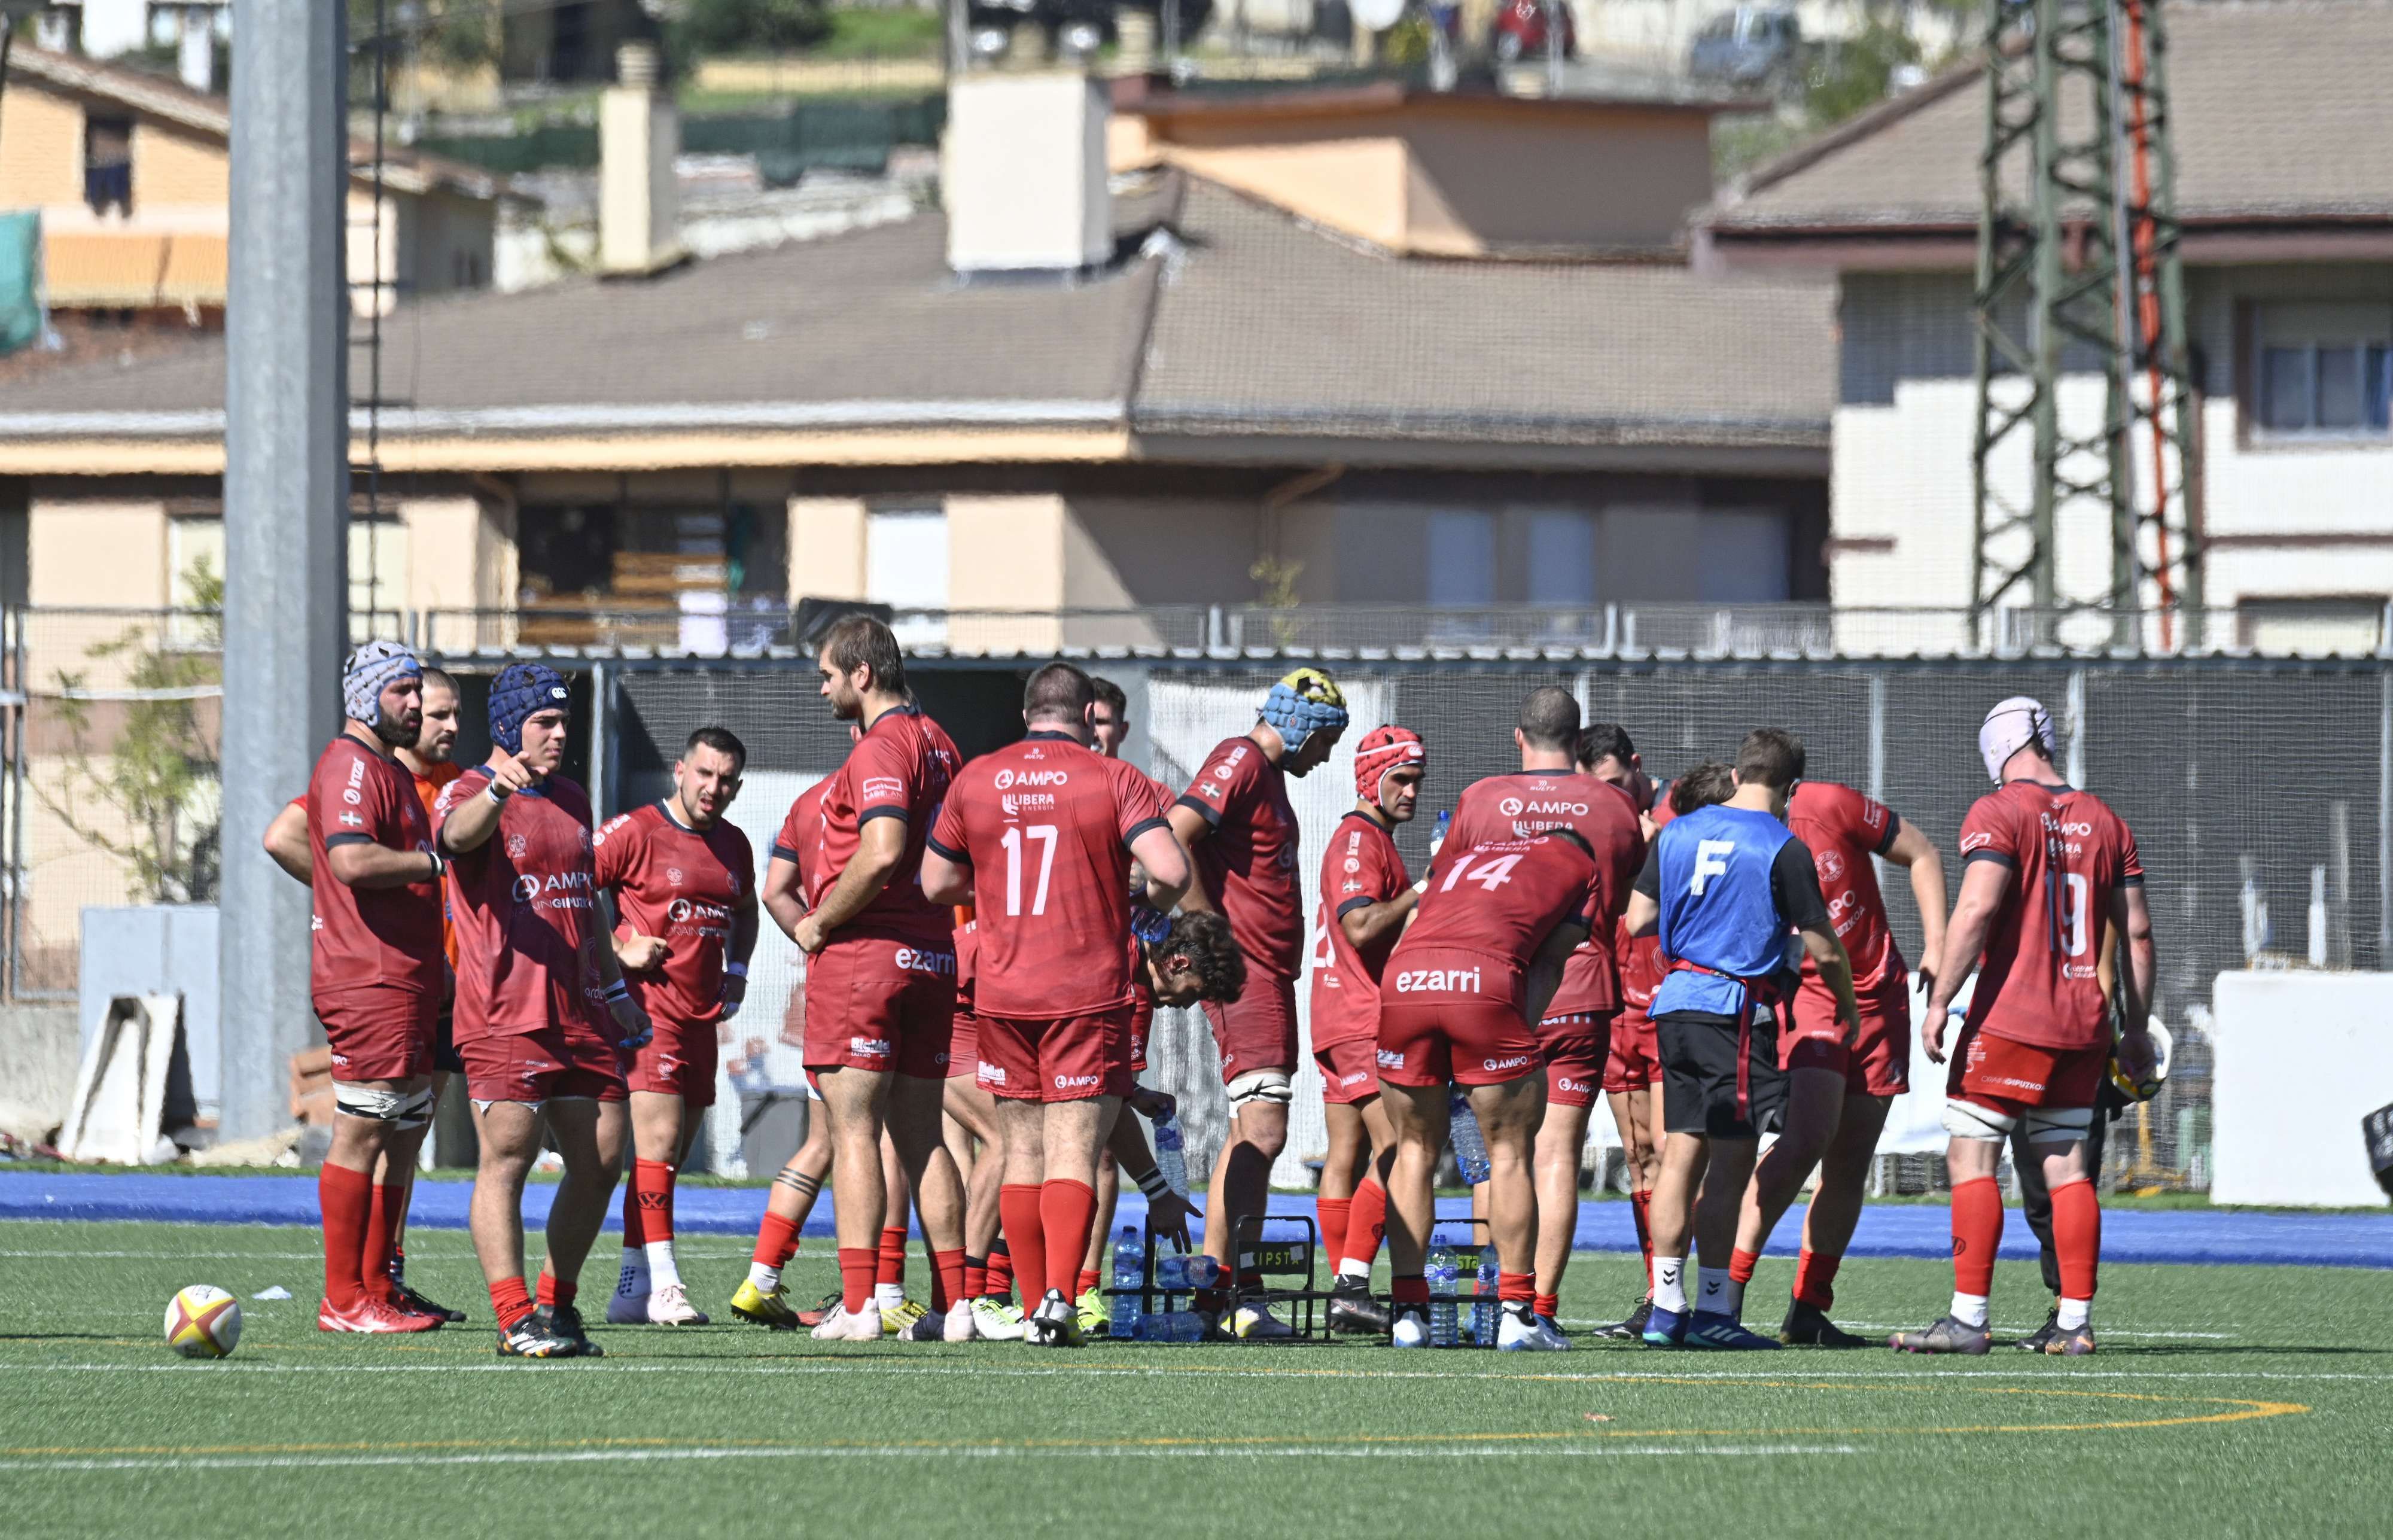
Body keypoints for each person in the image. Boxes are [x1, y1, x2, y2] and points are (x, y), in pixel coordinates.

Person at [920, 662, 1202, 1344]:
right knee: (1074, 1150)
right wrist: (1144, 907)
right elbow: (1171, 871)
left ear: (1026, 715)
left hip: (1003, 990)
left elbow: (935, 883)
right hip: (1085, 990)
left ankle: (1025, 1304)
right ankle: (1058, 1301)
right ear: (1087, 718)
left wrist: (988, 880)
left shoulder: (978, 776)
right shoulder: (1114, 777)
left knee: (1020, 1151)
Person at [1894, 698, 2154, 1358]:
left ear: (1997, 745)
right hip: (2084, 1025)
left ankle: (1967, 1317)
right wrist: (2136, 1029)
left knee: (1971, 1156)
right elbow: (2139, 936)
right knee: (2068, 1171)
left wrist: (1937, 1000)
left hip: (2010, 1019)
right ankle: (2073, 1324)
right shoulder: (2106, 820)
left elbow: (1977, 906)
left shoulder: (1998, 810)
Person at [434, 663, 651, 1358]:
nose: (560, 735)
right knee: (509, 1156)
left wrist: (615, 990)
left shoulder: (571, 799)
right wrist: (500, 786)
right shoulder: (470, 791)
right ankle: (512, 1316)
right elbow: (456, 839)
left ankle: (556, 1307)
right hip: (506, 1012)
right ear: (507, 728)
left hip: (580, 1010)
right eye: (544, 724)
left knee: (602, 1156)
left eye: (563, 723)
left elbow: (588, 898)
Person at [1624, 729, 1858, 1350]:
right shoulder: (1783, 847)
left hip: (1673, 1003)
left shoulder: (1676, 830)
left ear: (1735, 774)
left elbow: (1637, 919)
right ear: (1792, 787)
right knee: (1728, 1164)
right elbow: (1824, 947)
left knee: (1679, 1155)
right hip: (1732, 1010)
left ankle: (1665, 1306)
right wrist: (1847, 1009)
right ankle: (1713, 1315)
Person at [1434, 688, 1645, 1341]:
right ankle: (1535, 1311)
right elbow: (1623, 900)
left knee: (1493, 1151)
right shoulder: (1613, 804)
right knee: (1554, 1154)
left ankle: (1488, 1302)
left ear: (1517, 739)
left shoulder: (1481, 798)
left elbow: (1449, 887)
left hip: (1495, 986)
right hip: (1579, 986)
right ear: (1580, 745)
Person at [264, 661, 465, 1324]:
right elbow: (335, 855)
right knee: (369, 1122)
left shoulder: (401, 774)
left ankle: (377, 1286)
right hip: (372, 976)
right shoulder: (352, 766)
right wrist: (425, 867)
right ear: (363, 697)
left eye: (430, 701)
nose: (429, 714)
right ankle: (346, 1298)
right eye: (410, 696)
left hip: (415, 977)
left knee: (400, 1125)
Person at [791, 617, 971, 1343]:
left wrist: (820, 922)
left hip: (867, 956)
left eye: (830, 674)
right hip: (932, 954)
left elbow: (882, 847)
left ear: (863, 673)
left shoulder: (880, 746)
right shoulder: (942, 743)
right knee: (925, 1135)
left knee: (853, 1131)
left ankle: (861, 1305)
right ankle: (955, 1305)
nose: (825, 687)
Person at [1739, 757, 1948, 1347]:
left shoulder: (1830, 804)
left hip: (1880, 999)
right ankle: (1722, 1295)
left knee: (1850, 1158)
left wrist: (1936, 942)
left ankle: (1807, 1310)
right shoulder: (1738, 833)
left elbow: (1923, 854)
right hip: (1808, 998)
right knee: (1806, 1139)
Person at [1165, 667, 1347, 1337]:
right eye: (1326, 738)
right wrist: (1211, 936)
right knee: (1265, 1131)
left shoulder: (1264, 776)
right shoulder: (1240, 758)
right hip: (1248, 972)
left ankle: (1217, 1291)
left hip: (1266, 973)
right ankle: (1238, 1290)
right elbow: (1176, 833)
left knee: (1250, 1132)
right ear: (1300, 724)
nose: (1325, 754)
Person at [1377, 829, 1602, 1352]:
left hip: (1404, 978)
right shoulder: (1583, 865)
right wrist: (1510, 1037)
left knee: (1413, 1149)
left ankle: (1409, 1315)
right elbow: (1549, 963)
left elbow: (1416, 918)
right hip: (1482, 980)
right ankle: (1518, 1315)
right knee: (1510, 1153)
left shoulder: (1469, 852)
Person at [595, 726, 760, 1327]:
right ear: (679, 771)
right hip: (646, 1016)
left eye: (725, 781)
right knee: (658, 1149)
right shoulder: (634, 832)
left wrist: (737, 972)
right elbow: (568, 893)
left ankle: (630, 1289)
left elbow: (747, 910)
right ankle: (666, 1286)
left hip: (700, 1020)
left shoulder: (734, 847)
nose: (713, 788)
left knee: (666, 1161)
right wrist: (621, 945)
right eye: (704, 774)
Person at [1308, 724, 1426, 1334]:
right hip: (1358, 1016)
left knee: (1347, 1153)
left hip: (1339, 1012)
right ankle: (1352, 1284)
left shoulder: (1373, 837)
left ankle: (1344, 1291)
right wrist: (1418, 895)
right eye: (1400, 779)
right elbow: (1358, 927)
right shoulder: (1359, 838)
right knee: (1401, 1150)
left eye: (1416, 781)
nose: (1410, 791)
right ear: (1369, 778)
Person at [1578, 729, 1690, 1341]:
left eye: (1618, 785)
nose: (1610, 799)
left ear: (1639, 769)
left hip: (1672, 1005)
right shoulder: (1587, 820)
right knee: (1640, 1155)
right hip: (1616, 1004)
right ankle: (1654, 1294)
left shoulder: (1681, 814)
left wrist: (1660, 851)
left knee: (1675, 1153)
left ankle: (1682, 1295)